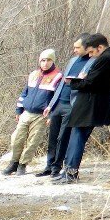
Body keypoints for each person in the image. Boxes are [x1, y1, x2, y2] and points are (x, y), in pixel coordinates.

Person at [56, 33, 110, 184]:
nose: (91, 56)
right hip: (91, 105)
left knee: (77, 138)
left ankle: (71, 173)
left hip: (90, 105)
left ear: (100, 47)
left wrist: (72, 82)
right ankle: (68, 171)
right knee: (76, 137)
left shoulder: (106, 58)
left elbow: (90, 82)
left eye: (91, 52)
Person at [36, 34, 91, 178]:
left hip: (72, 105)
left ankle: (57, 168)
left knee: (63, 137)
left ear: (87, 47)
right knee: (53, 137)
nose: (74, 50)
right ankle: (49, 166)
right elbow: (61, 84)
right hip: (59, 103)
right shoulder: (73, 60)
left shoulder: (92, 62)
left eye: (77, 47)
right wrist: (52, 105)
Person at [2, 49, 63, 175]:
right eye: (43, 60)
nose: (45, 63)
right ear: (39, 61)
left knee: (33, 141)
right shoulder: (33, 74)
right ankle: (13, 163)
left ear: (53, 61)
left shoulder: (57, 76)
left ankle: (22, 165)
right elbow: (24, 93)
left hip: (41, 115)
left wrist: (51, 115)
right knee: (16, 138)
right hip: (26, 112)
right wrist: (19, 110)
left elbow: (57, 98)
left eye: (49, 60)